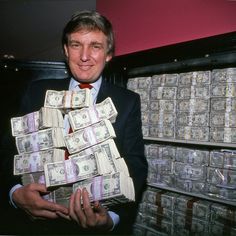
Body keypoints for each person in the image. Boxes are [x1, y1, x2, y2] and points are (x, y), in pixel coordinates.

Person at [2, 10, 148, 235]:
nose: (84, 56)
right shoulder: (37, 91)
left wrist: (110, 219)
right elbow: (8, 151)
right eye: (76, 45)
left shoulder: (127, 102)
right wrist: (15, 193)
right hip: (36, 225)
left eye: (95, 46)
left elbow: (136, 165)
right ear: (65, 50)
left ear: (108, 54)